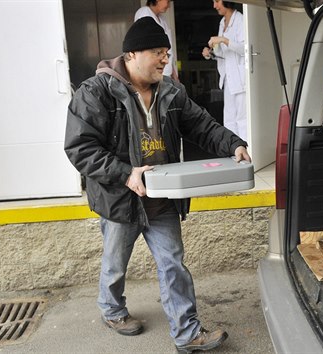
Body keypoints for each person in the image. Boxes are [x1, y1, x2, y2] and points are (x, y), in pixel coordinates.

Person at [64, 17, 251, 353]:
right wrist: (126, 173)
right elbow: (80, 148)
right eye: (158, 52)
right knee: (115, 261)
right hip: (120, 197)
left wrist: (233, 144)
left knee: (172, 263)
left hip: (162, 196)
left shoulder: (171, 91)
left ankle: (187, 333)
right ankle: (112, 309)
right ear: (133, 54)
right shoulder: (97, 92)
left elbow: (201, 125)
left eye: (167, 52)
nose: (166, 59)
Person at [202, 0, 247, 141]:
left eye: (216, 1)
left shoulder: (240, 20)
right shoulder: (222, 23)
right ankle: (233, 150)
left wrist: (224, 40)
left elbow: (244, 48)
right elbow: (224, 54)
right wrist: (211, 54)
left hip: (240, 78)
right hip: (228, 78)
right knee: (228, 118)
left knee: (242, 119)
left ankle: (245, 152)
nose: (214, 6)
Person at [134, 0, 179, 82]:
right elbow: (147, 48)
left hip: (165, 73)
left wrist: (174, 75)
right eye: (168, 1)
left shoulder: (162, 19)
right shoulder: (144, 13)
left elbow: (168, 51)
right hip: (154, 75)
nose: (169, 6)